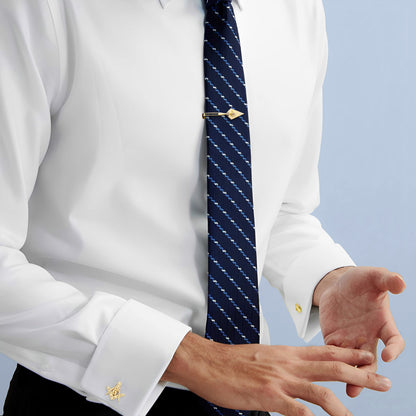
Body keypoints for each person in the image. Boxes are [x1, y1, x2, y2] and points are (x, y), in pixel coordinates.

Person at [0, 0, 405, 415]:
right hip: (91, 395)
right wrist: (189, 358)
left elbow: (277, 207)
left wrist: (326, 277)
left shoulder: (297, 10)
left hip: (254, 394)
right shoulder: (38, 9)